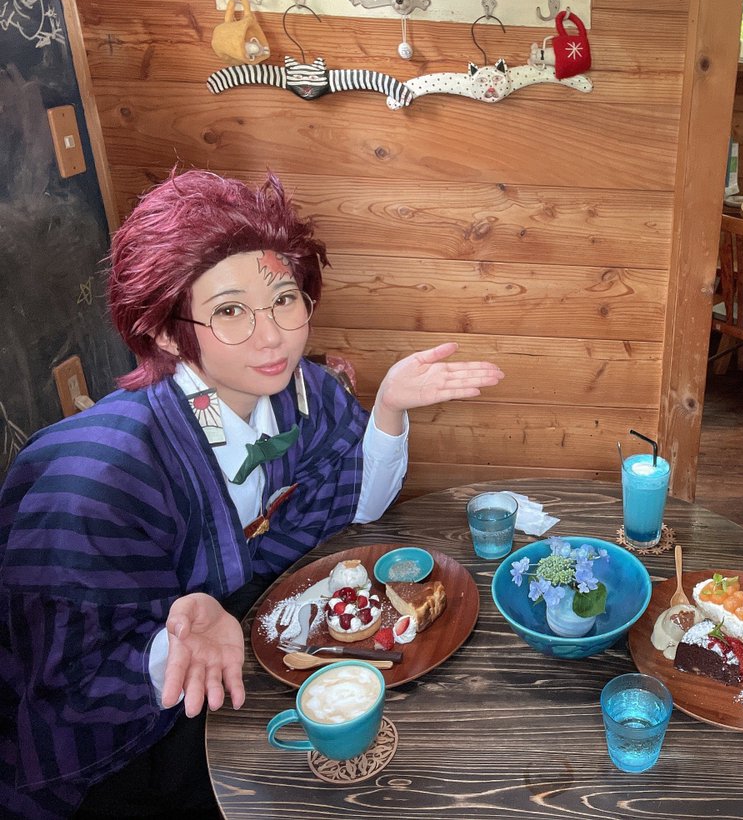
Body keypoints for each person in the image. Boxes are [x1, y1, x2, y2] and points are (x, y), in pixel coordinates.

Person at [0, 169, 504, 819]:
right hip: (122, 746)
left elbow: (355, 501)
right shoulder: (96, 476)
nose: (272, 336)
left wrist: (388, 410)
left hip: (245, 647)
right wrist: (178, 641)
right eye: (230, 310)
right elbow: (63, 677)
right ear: (163, 330)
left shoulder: (301, 393)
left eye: (284, 299)